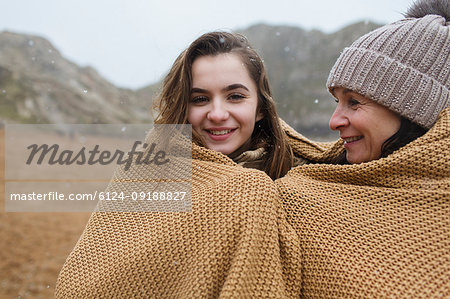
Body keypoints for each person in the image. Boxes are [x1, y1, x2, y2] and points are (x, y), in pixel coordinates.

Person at [56, 31, 332, 298]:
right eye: (199, 99)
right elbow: (89, 282)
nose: (217, 114)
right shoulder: (147, 169)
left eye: (235, 96)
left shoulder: (306, 175)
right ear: (182, 107)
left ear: (260, 107)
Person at [276, 0, 449, 296]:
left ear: (412, 111)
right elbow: (170, 200)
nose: (334, 121)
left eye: (354, 102)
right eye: (336, 102)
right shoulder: (302, 191)